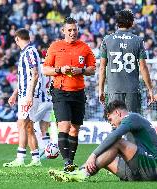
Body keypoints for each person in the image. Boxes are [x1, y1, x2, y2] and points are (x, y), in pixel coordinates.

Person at [48, 100, 157, 182]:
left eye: (110, 119)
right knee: (105, 158)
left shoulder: (132, 117)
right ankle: (78, 173)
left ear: (117, 113)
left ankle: (82, 174)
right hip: (142, 170)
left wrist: (92, 155)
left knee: (117, 142)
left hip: (153, 167)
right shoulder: (134, 120)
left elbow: (115, 136)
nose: (111, 123)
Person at [43, 17, 96, 171]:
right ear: (63, 31)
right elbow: (46, 70)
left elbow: (92, 69)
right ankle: (66, 161)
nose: (73, 33)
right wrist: (60, 70)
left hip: (78, 93)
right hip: (60, 92)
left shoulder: (84, 48)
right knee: (64, 126)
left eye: (75, 30)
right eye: (70, 30)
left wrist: (81, 70)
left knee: (75, 129)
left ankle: (70, 162)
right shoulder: (55, 47)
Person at [99, 9, 154, 113]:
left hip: (113, 89)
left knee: (116, 125)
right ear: (131, 23)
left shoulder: (107, 40)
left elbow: (102, 68)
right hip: (132, 89)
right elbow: (143, 67)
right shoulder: (137, 40)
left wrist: (101, 90)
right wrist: (150, 89)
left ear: (117, 23)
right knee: (133, 123)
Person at [3, 29, 43, 167]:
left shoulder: (30, 52)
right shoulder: (25, 53)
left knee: (22, 124)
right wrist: (14, 94)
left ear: (17, 39)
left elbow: (35, 74)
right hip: (24, 93)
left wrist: (29, 95)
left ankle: (20, 158)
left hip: (29, 94)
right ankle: (36, 159)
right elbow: (23, 79)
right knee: (27, 126)